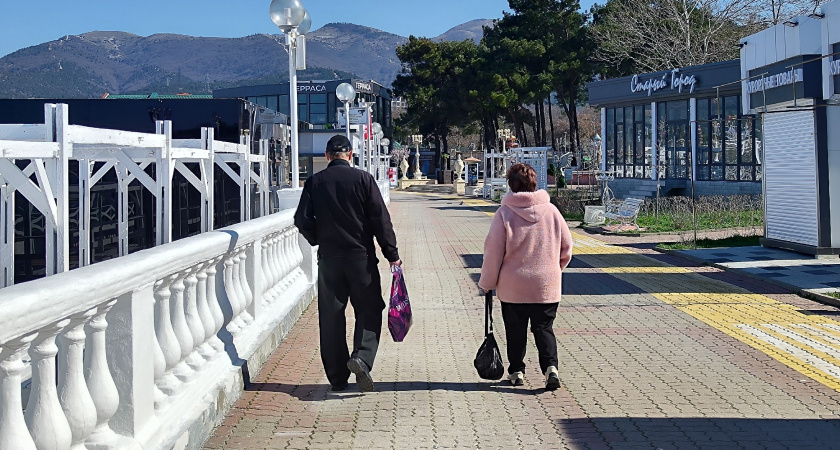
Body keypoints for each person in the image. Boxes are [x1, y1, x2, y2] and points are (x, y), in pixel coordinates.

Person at [294, 135, 402, 393]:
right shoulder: (364, 180)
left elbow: (301, 219)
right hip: (361, 258)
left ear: (327, 156)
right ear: (350, 155)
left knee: (331, 316)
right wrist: (392, 254)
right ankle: (362, 357)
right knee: (369, 308)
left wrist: (318, 239)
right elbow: (380, 220)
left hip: (330, 260)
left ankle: (337, 377)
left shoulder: (314, 182)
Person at [478, 163, 573, 390]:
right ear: (534, 183)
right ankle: (551, 368)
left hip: (513, 287)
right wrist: (554, 269)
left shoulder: (504, 214)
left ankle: (516, 371)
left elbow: (493, 253)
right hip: (546, 285)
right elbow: (567, 247)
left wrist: (487, 283)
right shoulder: (552, 211)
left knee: (515, 330)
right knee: (544, 328)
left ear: (511, 185)